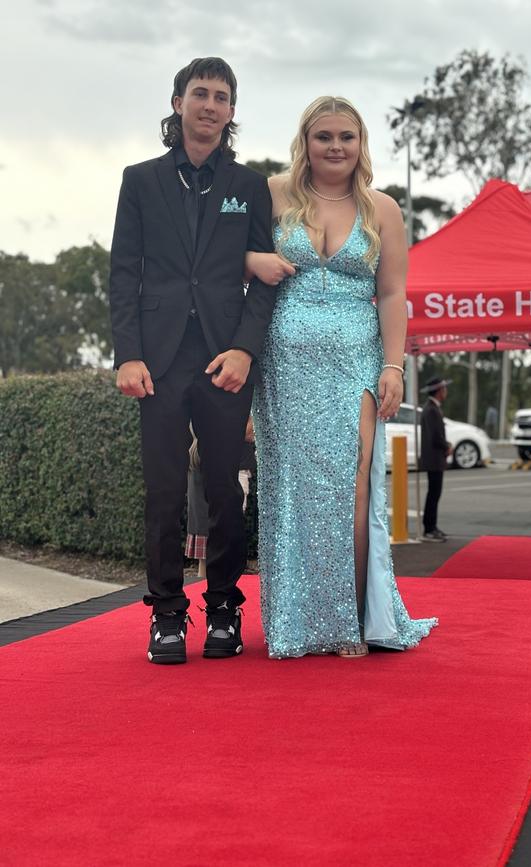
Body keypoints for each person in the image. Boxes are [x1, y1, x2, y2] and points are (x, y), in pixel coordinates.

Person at [245, 96, 438, 658]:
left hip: (357, 360)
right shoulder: (274, 194)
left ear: (361, 144)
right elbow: (227, 259)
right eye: (324, 136)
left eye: (346, 137)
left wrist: (394, 365)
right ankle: (300, 622)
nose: (335, 147)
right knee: (292, 490)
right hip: (284, 363)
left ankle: (352, 619)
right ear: (305, 141)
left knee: (354, 488)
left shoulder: (383, 208)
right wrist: (249, 263)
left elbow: (394, 292)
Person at [109, 57, 276, 664]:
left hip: (224, 359)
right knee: (162, 492)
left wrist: (245, 350)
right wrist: (128, 354)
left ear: (232, 112)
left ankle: (226, 607)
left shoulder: (250, 186)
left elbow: (265, 282)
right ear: (178, 101)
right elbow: (124, 273)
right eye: (199, 93)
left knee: (226, 490)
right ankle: (166, 615)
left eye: (222, 97)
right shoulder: (141, 180)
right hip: (157, 363)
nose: (210, 105)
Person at [185, 417, 256, 580]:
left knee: (215, 535)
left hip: (212, 465)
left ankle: (211, 587)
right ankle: (219, 587)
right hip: (229, 469)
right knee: (225, 531)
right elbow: (247, 432)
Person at [420, 377, 452, 542]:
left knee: (434, 493)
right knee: (433, 494)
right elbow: (435, 437)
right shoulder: (432, 410)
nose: (446, 392)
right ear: (439, 391)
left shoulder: (431, 408)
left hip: (434, 458)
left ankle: (432, 527)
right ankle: (429, 528)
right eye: (444, 389)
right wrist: (446, 446)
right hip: (434, 459)